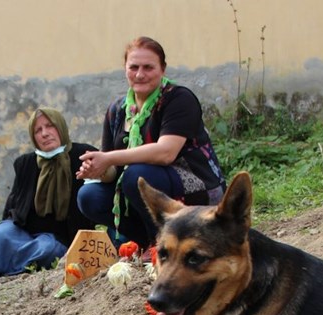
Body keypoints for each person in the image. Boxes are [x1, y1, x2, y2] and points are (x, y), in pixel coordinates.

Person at [76, 37, 226, 250]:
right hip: (140, 188)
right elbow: (112, 170)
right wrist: (97, 169)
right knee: (89, 196)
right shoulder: (117, 110)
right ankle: (147, 241)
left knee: (137, 175)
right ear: (125, 69)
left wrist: (108, 158)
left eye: (148, 67)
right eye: (134, 67)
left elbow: (166, 153)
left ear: (162, 69)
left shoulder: (178, 99)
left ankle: (162, 243)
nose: (140, 74)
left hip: (194, 184)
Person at [0, 108, 97, 282]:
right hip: (24, 231)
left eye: (50, 126)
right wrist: (6, 228)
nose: (44, 133)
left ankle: (8, 271)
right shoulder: (25, 163)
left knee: (47, 250)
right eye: (38, 130)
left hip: (59, 237)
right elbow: (13, 205)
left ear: (60, 127)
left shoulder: (83, 156)